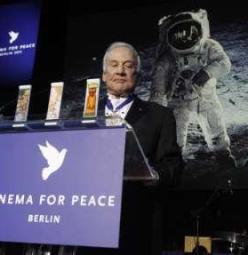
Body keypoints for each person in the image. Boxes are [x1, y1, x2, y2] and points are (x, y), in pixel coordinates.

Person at [79, 42, 183, 255]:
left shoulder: (159, 116)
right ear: (104, 75)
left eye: (128, 65)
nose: (120, 71)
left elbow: (173, 165)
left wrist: (154, 174)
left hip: (133, 227)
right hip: (86, 224)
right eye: (114, 65)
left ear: (137, 74)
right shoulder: (80, 115)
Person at [149, 9, 236, 170]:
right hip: (177, 101)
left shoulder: (208, 46)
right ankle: (175, 160)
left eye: (189, 32)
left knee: (214, 124)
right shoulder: (167, 58)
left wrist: (207, 72)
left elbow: (224, 63)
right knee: (175, 133)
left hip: (205, 97)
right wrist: (156, 108)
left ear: (199, 30)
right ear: (169, 37)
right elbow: (158, 88)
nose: (185, 38)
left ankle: (222, 154)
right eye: (179, 35)